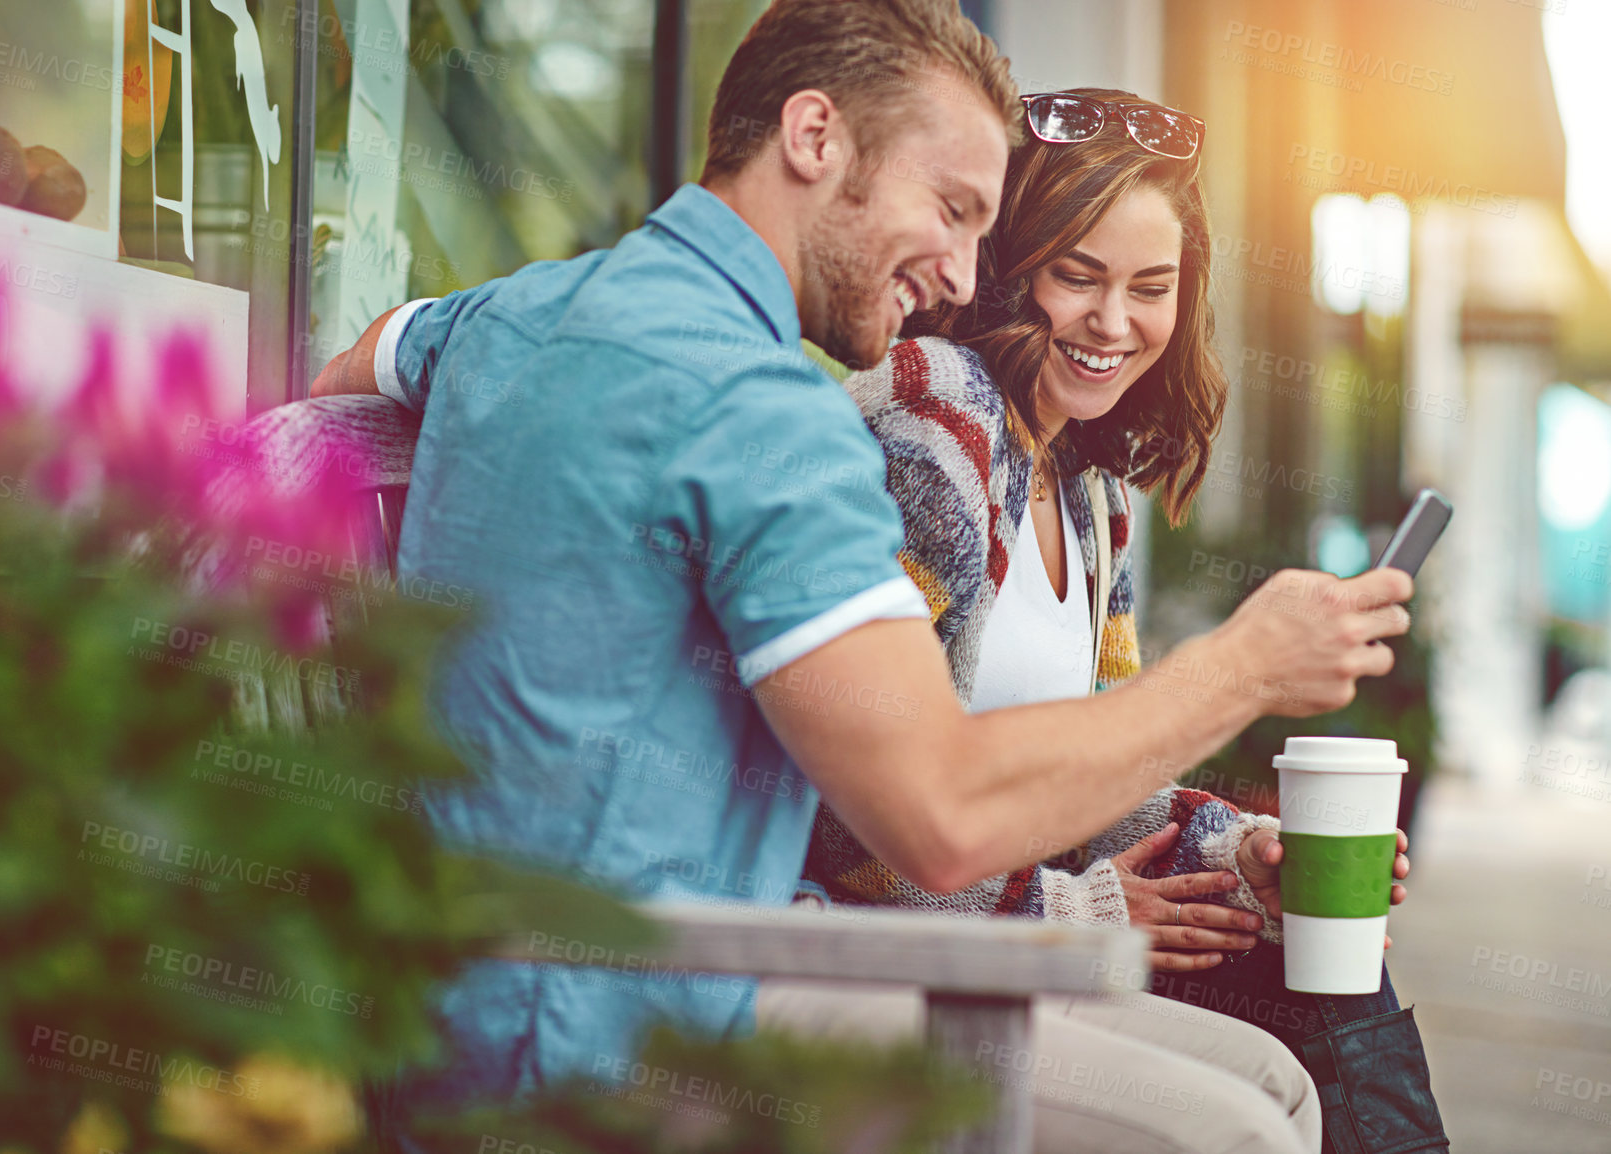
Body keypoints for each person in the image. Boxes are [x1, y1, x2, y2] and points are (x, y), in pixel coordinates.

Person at [312, 2, 1413, 1149]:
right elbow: (933, 817)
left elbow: (343, 378)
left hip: (464, 972)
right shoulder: (768, 417)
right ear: (813, 136)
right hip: (638, 1009)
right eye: (950, 211)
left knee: (1276, 1088)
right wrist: (1239, 667)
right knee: (1236, 1132)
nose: (959, 275)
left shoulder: (513, 309)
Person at [801, 88, 1448, 1153]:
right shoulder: (936, 436)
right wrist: (1069, 912)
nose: (1114, 324)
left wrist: (1238, 851)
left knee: (1316, 989)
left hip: (1012, 942)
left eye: (1151, 287)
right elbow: (852, 818)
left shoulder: (1093, 493)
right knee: (1262, 1100)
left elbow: (1095, 770)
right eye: (1077, 275)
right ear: (1011, 267)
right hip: (876, 955)